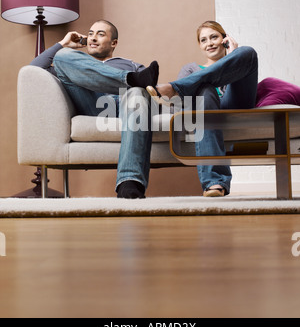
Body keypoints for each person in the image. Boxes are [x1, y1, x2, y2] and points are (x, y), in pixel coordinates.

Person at [30, 19, 159, 199]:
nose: (93, 38)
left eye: (100, 34)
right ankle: (129, 80)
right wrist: (63, 44)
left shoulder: (132, 65)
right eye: (90, 33)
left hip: (127, 108)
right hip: (93, 105)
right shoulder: (74, 64)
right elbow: (33, 70)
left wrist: (139, 86)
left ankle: (129, 183)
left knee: (138, 92)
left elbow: (153, 92)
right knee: (62, 55)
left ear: (113, 43)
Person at [147, 20, 258, 197]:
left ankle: (174, 87)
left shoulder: (237, 62)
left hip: (234, 105)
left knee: (248, 52)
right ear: (200, 45)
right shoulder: (191, 69)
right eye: (204, 40)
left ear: (225, 39)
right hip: (205, 110)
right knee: (205, 89)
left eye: (214, 37)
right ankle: (215, 183)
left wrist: (232, 54)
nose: (210, 43)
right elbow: (182, 105)